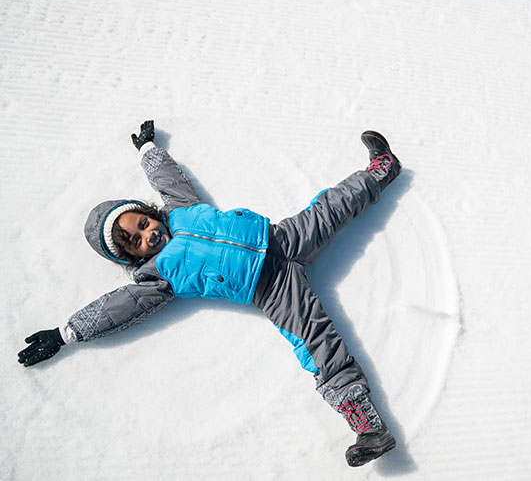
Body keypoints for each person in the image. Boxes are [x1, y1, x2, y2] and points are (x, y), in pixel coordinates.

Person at [17, 121, 402, 467]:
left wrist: (148, 151)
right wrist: (66, 333)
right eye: (137, 243)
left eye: (142, 223)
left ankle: (381, 171)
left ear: (148, 211)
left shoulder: (181, 208)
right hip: (271, 288)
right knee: (319, 344)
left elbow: (167, 178)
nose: (148, 234)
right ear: (133, 258)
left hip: (282, 237)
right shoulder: (156, 278)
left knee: (332, 205)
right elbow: (117, 308)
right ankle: (369, 426)